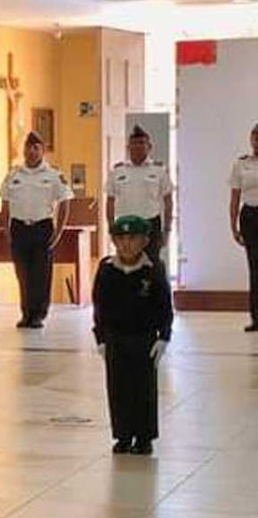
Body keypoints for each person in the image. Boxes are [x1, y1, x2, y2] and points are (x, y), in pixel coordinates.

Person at [93, 215, 173, 456]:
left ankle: (144, 436)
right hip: (116, 337)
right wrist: (100, 338)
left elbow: (165, 307)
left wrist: (164, 337)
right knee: (118, 387)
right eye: (121, 238)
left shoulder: (154, 269)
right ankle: (123, 435)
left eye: (133, 238)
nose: (126, 244)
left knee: (144, 388)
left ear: (145, 241)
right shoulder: (107, 269)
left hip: (144, 337)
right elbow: (99, 306)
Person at [0, 131, 74, 329]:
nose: (31, 152)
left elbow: (65, 203)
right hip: (19, 227)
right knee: (22, 273)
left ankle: (39, 314)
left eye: (36, 148)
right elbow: (5, 204)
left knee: (41, 273)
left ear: (43, 151)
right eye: (28, 147)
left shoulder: (54, 175)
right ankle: (26, 313)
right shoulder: (14, 174)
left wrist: (58, 232)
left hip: (42, 227)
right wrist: (6, 229)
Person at [105, 124, 173, 262]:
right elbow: (110, 201)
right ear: (128, 147)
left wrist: (167, 230)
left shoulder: (159, 171)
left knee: (150, 265)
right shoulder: (117, 171)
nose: (138, 146)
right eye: (134, 143)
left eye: (142, 143)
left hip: (150, 225)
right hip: (125, 226)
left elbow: (168, 202)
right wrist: (112, 228)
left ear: (149, 146)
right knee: (126, 266)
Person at [230, 123, 258, 332]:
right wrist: (233, 226)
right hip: (250, 216)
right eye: (255, 138)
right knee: (254, 268)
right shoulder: (242, 165)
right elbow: (235, 197)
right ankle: (256, 318)